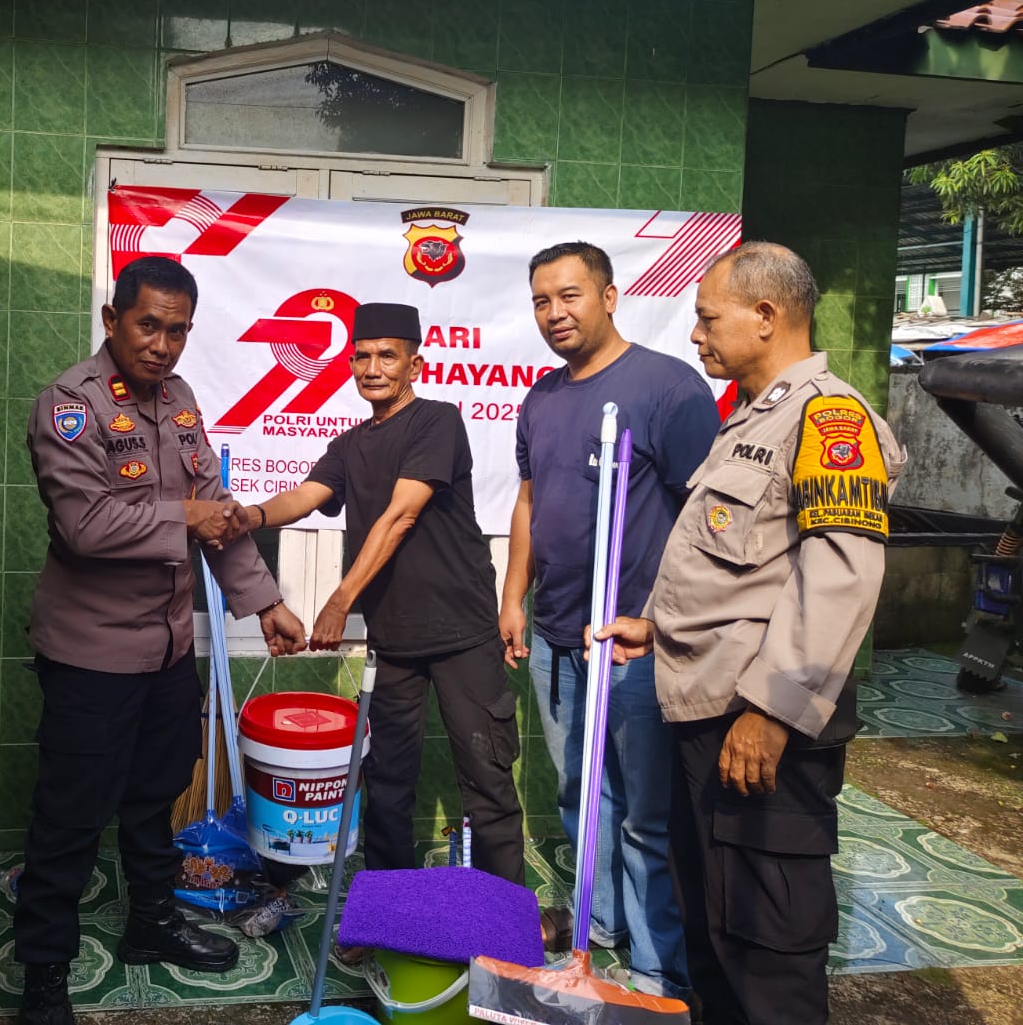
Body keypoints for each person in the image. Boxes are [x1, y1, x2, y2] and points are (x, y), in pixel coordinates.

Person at [592, 243, 905, 1025]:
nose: (696, 335)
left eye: (708, 318)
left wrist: (772, 711)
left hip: (761, 728)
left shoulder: (829, 418)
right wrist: (659, 627)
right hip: (709, 718)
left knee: (767, 953)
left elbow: (839, 576)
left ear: (766, 316)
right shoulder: (751, 419)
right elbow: (747, 568)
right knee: (715, 932)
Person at [13, 256, 305, 1025]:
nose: (162, 344)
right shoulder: (69, 406)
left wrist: (265, 602)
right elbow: (84, 525)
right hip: (91, 655)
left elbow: (217, 511)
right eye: (148, 325)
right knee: (70, 815)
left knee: (154, 798)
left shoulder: (180, 401)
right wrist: (185, 516)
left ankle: (151, 924)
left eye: (177, 331)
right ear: (113, 320)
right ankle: (43, 969)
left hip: (169, 649)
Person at [237, 303, 528, 896]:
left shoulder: (437, 421)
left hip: (462, 633)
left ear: (414, 364)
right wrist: (249, 516)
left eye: (387, 356)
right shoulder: (350, 444)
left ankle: (506, 921)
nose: (372, 368)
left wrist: (340, 599)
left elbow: (400, 516)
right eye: (362, 357)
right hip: (393, 640)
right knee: (388, 782)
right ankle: (390, 912)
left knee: (487, 780)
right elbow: (306, 494)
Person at [501, 242, 717, 996]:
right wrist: (513, 597)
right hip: (557, 635)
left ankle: (657, 970)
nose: (554, 313)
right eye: (541, 301)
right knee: (581, 796)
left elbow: (707, 521)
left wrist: (658, 621)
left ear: (610, 296)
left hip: (634, 645)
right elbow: (528, 501)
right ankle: (601, 929)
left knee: (644, 818)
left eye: (570, 295)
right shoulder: (542, 398)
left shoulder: (669, 389)